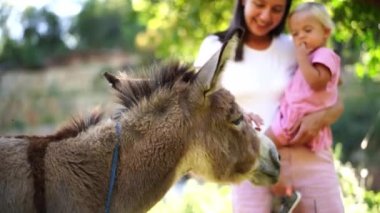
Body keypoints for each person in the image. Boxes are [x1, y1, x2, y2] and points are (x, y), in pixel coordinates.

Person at [194, 0, 344, 212]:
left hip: (308, 156)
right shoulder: (215, 47)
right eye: (259, 4)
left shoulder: (295, 43)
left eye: (276, 9)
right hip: (250, 162)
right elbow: (199, 108)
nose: (266, 16)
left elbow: (333, 94)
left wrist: (322, 117)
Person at [265, 2, 342, 212]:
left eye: (308, 31)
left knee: (262, 145)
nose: (301, 38)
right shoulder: (310, 57)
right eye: (296, 33)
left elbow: (316, 82)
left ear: (326, 32)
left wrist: (301, 59)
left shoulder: (325, 56)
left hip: (296, 119)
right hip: (290, 115)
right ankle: (287, 196)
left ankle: (283, 193)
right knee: (264, 150)